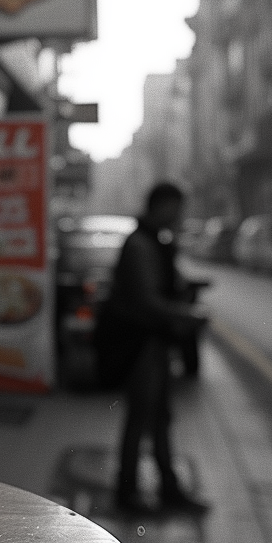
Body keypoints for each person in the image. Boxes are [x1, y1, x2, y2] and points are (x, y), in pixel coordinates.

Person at [95, 182, 210, 515]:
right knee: (144, 416)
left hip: (152, 342)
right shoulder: (141, 244)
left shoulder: (153, 241)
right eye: (176, 209)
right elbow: (147, 300)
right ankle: (129, 491)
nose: (179, 216)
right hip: (142, 343)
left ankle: (166, 487)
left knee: (158, 417)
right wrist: (186, 313)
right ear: (161, 206)